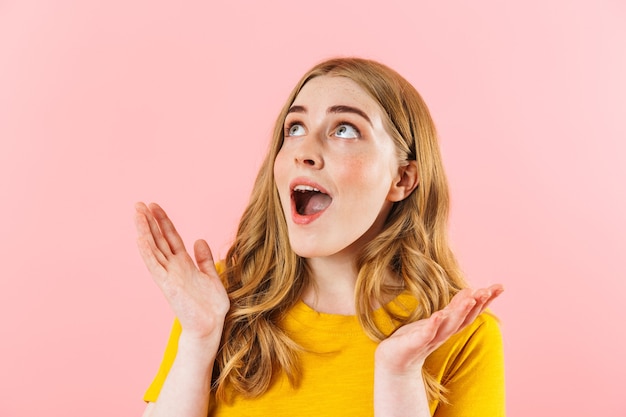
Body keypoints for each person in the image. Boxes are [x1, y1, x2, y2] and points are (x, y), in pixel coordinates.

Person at [134, 57, 505, 417]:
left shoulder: (460, 336)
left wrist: (399, 375)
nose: (304, 152)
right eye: (294, 128)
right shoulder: (219, 298)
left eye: (345, 129)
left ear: (402, 179)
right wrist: (199, 340)